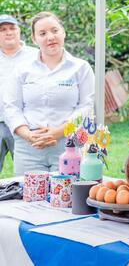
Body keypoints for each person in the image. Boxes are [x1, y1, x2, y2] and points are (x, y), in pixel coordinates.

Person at [3, 12, 95, 175]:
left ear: (63, 32)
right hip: (29, 147)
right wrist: (29, 135)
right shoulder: (23, 69)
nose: (50, 37)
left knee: (69, 197)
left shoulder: (81, 67)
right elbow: (11, 107)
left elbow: (86, 107)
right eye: (42, 33)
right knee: (29, 198)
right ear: (34, 39)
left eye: (55, 31)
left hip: (70, 145)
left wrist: (58, 131)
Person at [0, 14, 38, 172]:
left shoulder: (35, 55)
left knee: (29, 174)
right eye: (2, 29)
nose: (8, 32)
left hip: (25, 125)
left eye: (12, 28)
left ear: (19, 31)